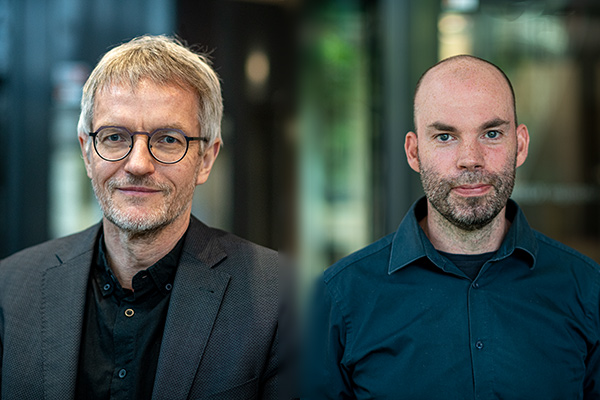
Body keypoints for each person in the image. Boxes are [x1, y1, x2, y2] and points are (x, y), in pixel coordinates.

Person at [0, 35, 280, 399]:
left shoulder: (279, 298)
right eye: (115, 136)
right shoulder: (9, 290)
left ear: (206, 159)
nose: (138, 165)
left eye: (167, 140)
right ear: (87, 152)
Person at [306, 55, 600, 399]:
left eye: (491, 133)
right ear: (414, 152)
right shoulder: (340, 298)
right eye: (445, 136)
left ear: (519, 145)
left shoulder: (587, 290)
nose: (470, 158)